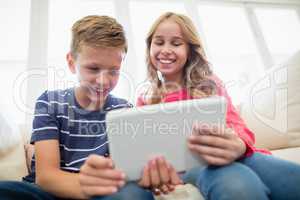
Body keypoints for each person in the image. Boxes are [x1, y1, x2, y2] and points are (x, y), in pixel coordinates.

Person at [136, 12, 300, 200]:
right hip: (193, 166)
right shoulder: (146, 98)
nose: (165, 49)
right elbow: (147, 151)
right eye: (159, 42)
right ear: (149, 47)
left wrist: (238, 145)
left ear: (190, 50)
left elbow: (236, 123)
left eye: (176, 43)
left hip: (240, 156)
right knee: (238, 184)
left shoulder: (209, 83)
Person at [0, 15, 158, 200]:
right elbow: (47, 177)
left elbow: (126, 172)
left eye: (113, 71)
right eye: (93, 69)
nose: (103, 81)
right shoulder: (49, 102)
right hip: (49, 193)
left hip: (102, 194)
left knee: (135, 194)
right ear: (71, 62)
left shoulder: (124, 109)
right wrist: (94, 187)